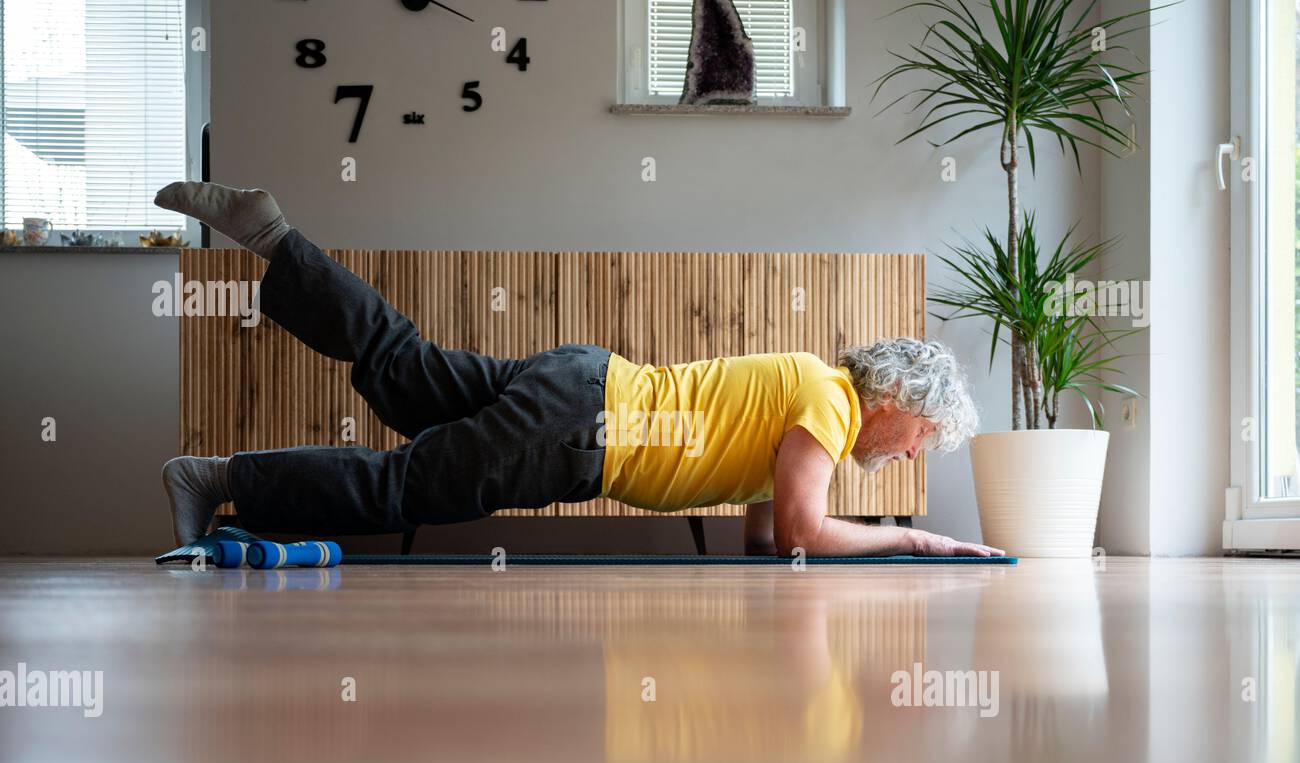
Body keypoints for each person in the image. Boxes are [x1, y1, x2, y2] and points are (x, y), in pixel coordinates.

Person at [155, 182, 1002, 558]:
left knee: (401, 363)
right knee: (403, 488)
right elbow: (802, 534)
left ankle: (273, 237)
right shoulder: (830, 408)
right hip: (583, 428)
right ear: (894, 396)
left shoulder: (808, 389)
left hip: (583, 381)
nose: (915, 454)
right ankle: (215, 479)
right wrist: (914, 538)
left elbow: (769, 536)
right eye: (925, 436)